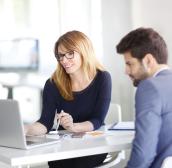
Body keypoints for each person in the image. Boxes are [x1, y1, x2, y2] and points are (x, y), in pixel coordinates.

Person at [25, 30, 112, 168]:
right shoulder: (53, 84)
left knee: (80, 163)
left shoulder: (102, 78)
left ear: (84, 51)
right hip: (64, 147)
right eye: (60, 56)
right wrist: (24, 129)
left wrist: (74, 127)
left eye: (70, 54)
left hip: (93, 145)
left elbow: (98, 119)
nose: (64, 60)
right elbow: (45, 122)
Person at [116, 27, 172, 168]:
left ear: (148, 60)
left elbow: (144, 154)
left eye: (130, 63)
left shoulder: (150, 87)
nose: (126, 71)